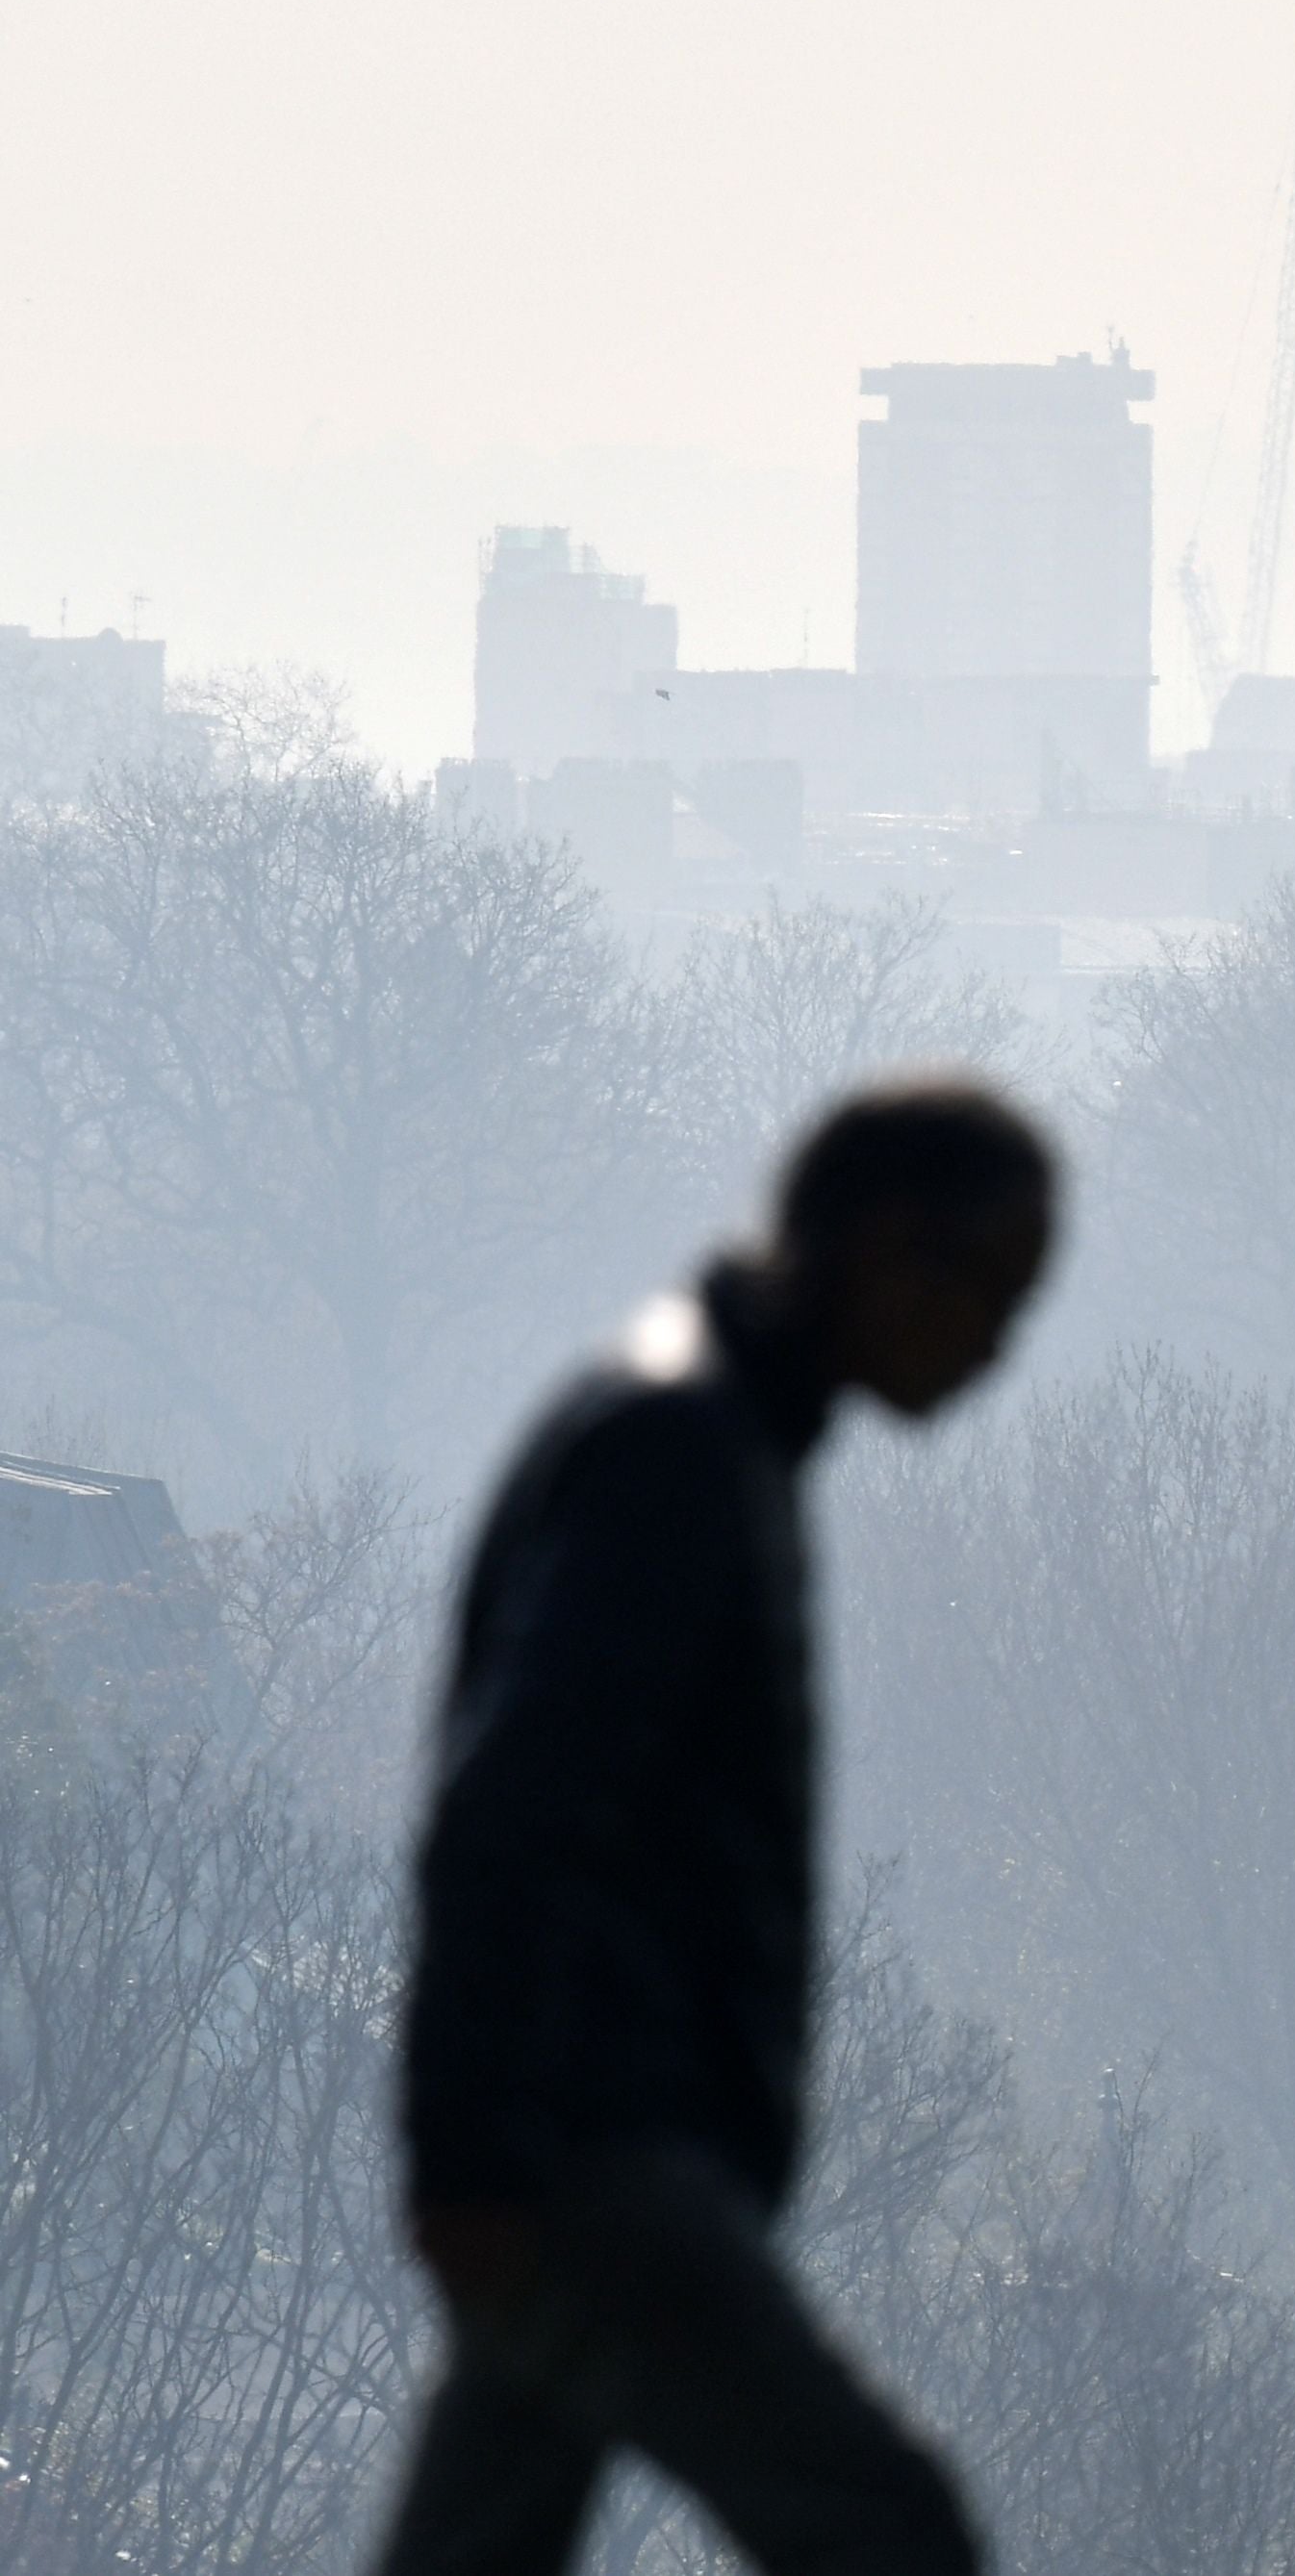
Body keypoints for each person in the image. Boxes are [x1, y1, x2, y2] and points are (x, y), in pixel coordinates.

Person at [373, 1076, 1059, 2576]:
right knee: (889, 2536)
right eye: (990, 1293)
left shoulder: (688, 1425)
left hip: (556, 2148)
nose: (1000, 1347)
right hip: (596, 2156)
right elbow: (515, 1805)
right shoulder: (681, 1454)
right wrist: (471, 2151)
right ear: (885, 1249)